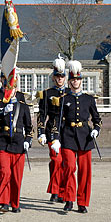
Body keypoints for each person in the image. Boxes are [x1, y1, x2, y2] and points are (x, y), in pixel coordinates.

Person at [58, 60, 102, 213]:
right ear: (69, 81)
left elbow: (97, 119)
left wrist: (96, 129)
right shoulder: (64, 99)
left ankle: (82, 202)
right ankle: (69, 200)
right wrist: (56, 139)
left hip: (85, 137)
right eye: (73, 79)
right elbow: (58, 121)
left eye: (77, 79)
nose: (75, 82)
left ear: (81, 81)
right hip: (68, 136)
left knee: (85, 171)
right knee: (69, 168)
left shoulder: (89, 99)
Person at [0, 76, 33, 213]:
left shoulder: (23, 106)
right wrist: (3, 111)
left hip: (18, 142)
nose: (10, 91)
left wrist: (27, 141)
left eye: (12, 89)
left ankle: (15, 203)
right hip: (3, 142)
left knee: (17, 177)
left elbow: (29, 128)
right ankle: (4, 202)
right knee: (5, 172)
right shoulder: (0, 103)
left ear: (16, 89)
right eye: (7, 88)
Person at [37, 55, 68, 204]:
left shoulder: (70, 93)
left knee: (66, 164)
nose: (60, 79)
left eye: (62, 76)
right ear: (53, 77)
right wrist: (41, 132)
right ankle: (55, 191)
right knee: (56, 161)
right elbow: (42, 115)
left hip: (67, 133)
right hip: (52, 131)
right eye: (57, 76)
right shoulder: (47, 93)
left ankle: (62, 191)